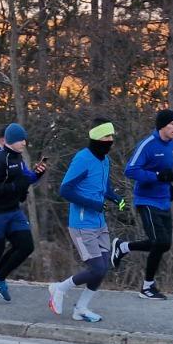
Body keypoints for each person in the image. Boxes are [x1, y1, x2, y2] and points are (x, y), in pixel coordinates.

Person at [48, 119, 126, 323]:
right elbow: (65, 189)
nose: (111, 140)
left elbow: (105, 187)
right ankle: (59, 288)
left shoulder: (104, 160)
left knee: (103, 267)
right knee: (96, 268)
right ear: (96, 137)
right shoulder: (82, 159)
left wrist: (117, 200)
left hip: (99, 223)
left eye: (112, 136)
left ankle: (81, 309)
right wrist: (92, 204)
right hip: (82, 225)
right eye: (106, 136)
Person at [0, 123, 47, 306]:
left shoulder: (18, 158)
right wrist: (12, 187)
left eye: (25, 139)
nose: (24, 143)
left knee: (26, 246)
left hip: (13, 211)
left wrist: (37, 174)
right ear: (9, 141)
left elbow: (25, 179)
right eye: (21, 140)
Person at [118, 109, 173, 299]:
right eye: (172, 124)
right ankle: (147, 287)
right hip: (146, 200)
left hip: (163, 201)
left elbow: (166, 172)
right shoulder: (147, 145)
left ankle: (123, 247)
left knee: (165, 244)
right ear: (162, 125)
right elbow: (130, 170)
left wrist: (168, 186)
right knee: (158, 241)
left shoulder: (171, 145)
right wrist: (156, 177)